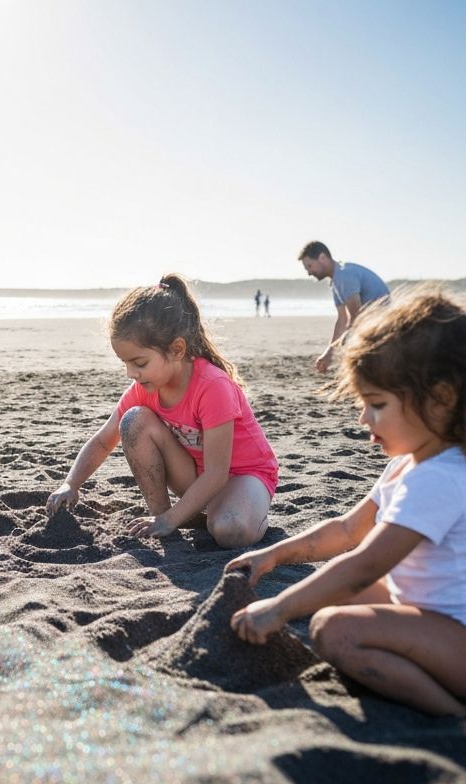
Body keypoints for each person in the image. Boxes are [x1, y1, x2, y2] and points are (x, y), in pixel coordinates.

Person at [229, 288, 466, 716]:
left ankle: (453, 717)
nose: (363, 419)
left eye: (376, 404)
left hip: (458, 636)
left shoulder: (441, 477)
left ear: (441, 399)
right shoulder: (410, 462)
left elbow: (365, 565)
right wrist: (273, 555)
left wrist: (278, 609)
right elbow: (346, 530)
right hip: (430, 609)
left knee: (332, 630)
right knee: (332, 599)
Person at [46, 274, 278, 548]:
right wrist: (71, 484)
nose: (131, 373)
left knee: (229, 531)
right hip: (195, 476)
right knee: (133, 421)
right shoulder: (145, 388)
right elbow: (102, 440)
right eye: (125, 363)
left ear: (177, 349)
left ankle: (233, 515)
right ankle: (164, 515)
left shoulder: (212, 386)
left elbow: (218, 472)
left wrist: (173, 518)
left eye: (139, 363)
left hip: (243, 476)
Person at [299, 240, 389, 374]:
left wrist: (341, 343)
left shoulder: (344, 274)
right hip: (370, 324)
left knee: (348, 344)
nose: (309, 272)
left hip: (383, 324)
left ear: (322, 257)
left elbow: (356, 316)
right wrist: (328, 353)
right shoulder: (335, 282)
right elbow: (342, 320)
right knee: (345, 343)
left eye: (310, 266)